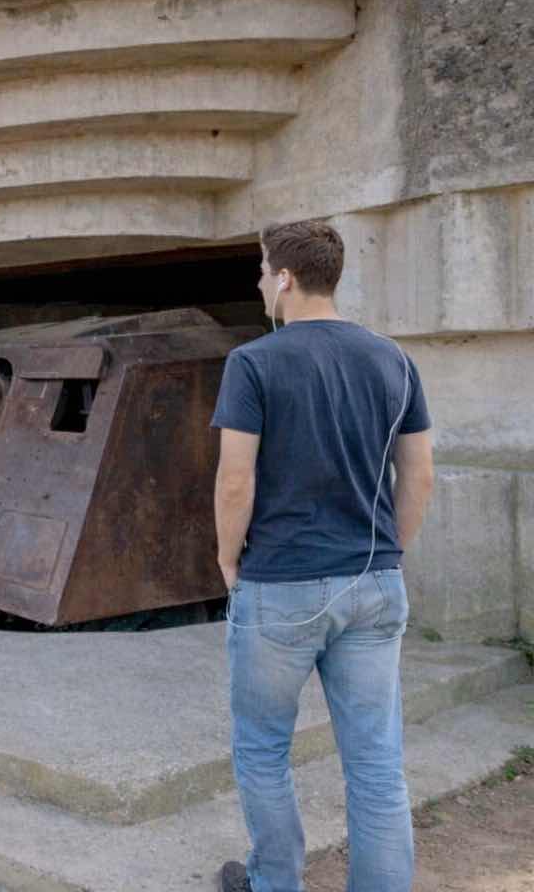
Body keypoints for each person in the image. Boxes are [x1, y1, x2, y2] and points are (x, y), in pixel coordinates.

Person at [210, 219, 435, 892]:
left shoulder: (253, 363)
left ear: (284, 278)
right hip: (374, 582)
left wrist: (228, 559)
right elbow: (419, 474)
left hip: (279, 584)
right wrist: (388, 554)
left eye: (261, 271)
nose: (259, 283)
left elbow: (235, 479)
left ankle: (275, 883)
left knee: (263, 751)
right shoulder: (393, 360)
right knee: (376, 763)